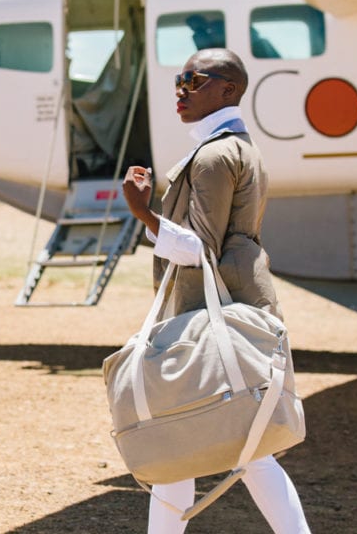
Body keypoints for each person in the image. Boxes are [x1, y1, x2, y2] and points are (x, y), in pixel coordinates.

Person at [121, 49, 310, 533]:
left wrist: (143, 213)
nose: (181, 90)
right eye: (179, 79)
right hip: (232, 307)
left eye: (195, 80)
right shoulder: (234, 147)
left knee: (211, 443)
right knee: (232, 447)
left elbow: (199, 249)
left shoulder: (215, 155)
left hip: (215, 312)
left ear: (227, 90)